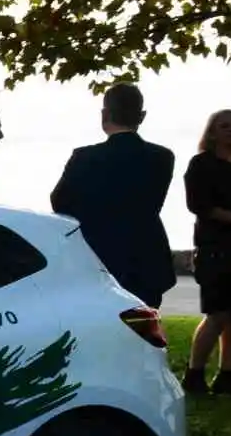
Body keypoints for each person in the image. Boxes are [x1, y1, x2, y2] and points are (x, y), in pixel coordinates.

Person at [50, 84, 176, 310]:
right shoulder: (162, 157)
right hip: (145, 257)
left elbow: (60, 202)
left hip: (97, 256)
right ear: (142, 116)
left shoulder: (84, 157)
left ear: (105, 114)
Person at [182, 109, 231, 396]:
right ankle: (194, 374)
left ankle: (227, 376)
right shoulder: (202, 164)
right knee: (218, 313)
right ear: (212, 133)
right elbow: (198, 204)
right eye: (225, 126)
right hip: (215, 248)